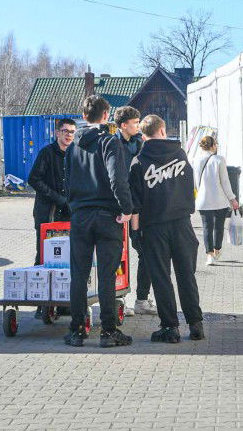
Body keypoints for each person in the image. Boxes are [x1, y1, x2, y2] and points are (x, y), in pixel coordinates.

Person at [63, 95, 135, 348]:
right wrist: (126, 209)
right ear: (106, 116)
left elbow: (67, 181)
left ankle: (77, 331)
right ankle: (108, 332)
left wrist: (75, 207)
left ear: (83, 117)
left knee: (78, 275)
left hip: (81, 217)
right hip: (108, 216)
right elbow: (118, 179)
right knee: (106, 276)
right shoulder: (109, 143)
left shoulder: (73, 147)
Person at [128, 114, 204, 344]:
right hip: (182, 223)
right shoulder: (181, 154)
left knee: (161, 278)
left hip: (153, 227)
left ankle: (170, 327)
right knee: (186, 275)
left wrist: (135, 234)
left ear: (143, 136)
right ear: (163, 130)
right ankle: (195, 324)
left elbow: (135, 204)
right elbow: (191, 186)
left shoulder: (138, 162)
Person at [113, 106, 155, 317]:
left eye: (139, 123)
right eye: (135, 123)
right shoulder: (112, 144)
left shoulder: (140, 143)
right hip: (118, 207)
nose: (138, 126)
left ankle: (141, 299)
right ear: (123, 125)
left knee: (144, 252)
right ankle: (117, 299)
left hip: (139, 207)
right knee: (116, 255)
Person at [30, 118, 75, 265]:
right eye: (65, 131)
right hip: (47, 212)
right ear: (57, 133)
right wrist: (57, 198)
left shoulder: (76, 154)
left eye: (72, 132)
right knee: (44, 255)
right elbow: (34, 179)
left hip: (69, 212)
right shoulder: (46, 153)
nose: (68, 135)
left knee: (67, 256)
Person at [193, 135, 239, 265]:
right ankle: (217, 250)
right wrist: (232, 198)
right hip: (219, 200)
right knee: (218, 227)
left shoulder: (195, 160)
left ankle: (209, 256)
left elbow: (195, 182)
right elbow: (225, 182)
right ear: (213, 146)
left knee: (207, 228)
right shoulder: (219, 160)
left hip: (203, 200)